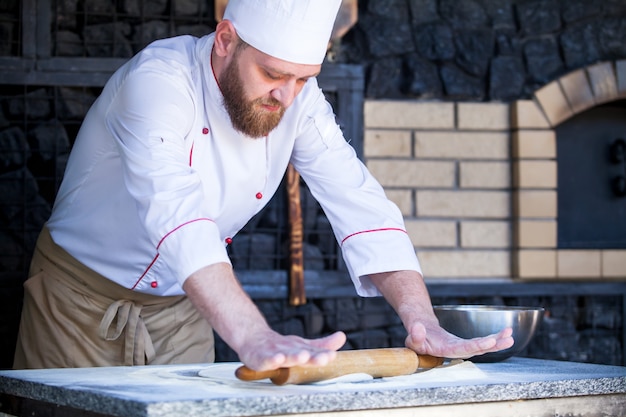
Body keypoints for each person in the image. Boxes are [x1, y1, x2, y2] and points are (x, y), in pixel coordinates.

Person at [13, 0, 513, 370]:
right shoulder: (159, 80)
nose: (287, 95)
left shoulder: (300, 98)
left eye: (303, 78)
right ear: (226, 39)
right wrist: (251, 335)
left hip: (185, 310)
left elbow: (359, 202)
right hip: (75, 303)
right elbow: (177, 214)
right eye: (273, 73)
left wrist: (420, 321)